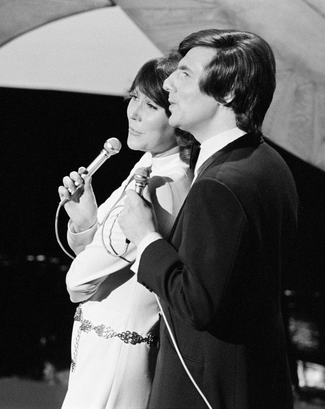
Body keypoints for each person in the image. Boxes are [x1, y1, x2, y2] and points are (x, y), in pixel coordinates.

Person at [118, 29, 299, 408]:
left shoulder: (219, 185)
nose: (168, 83)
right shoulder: (266, 162)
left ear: (229, 91)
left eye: (184, 73)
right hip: (253, 385)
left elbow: (197, 305)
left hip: (206, 392)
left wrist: (146, 237)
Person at [58, 56, 195, 409]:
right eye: (133, 97)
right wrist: (86, 221)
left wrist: (88, 254)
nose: (133, 113)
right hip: (103, 341)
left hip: (116, 353)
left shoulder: (164, 181)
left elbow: (79, 281)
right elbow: (102, 257)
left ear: (179, 115)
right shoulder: (150, 163)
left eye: (150, 105)